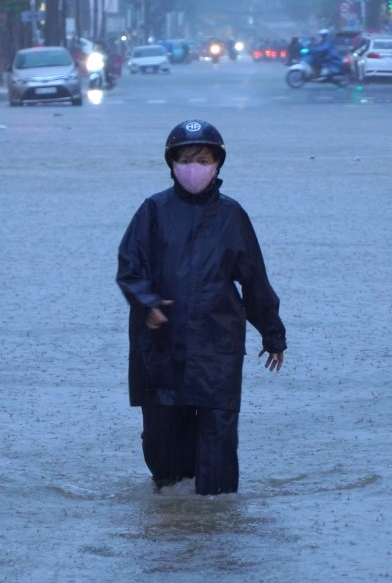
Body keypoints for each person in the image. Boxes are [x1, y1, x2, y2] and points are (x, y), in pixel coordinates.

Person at [116, 120, 287, 496]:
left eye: (203, 158)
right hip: (161, 345)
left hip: (216, 346)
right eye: (186, 159)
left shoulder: (232, 216)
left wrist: (273, 333)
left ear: (217, 163)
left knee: (218, 448)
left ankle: (217, 525)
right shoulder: (153, 211)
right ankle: (172, 521)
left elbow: (254, 278)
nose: (194, 167)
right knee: (164, 447)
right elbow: (130, 268)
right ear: (172, 164)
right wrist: (148, 303)